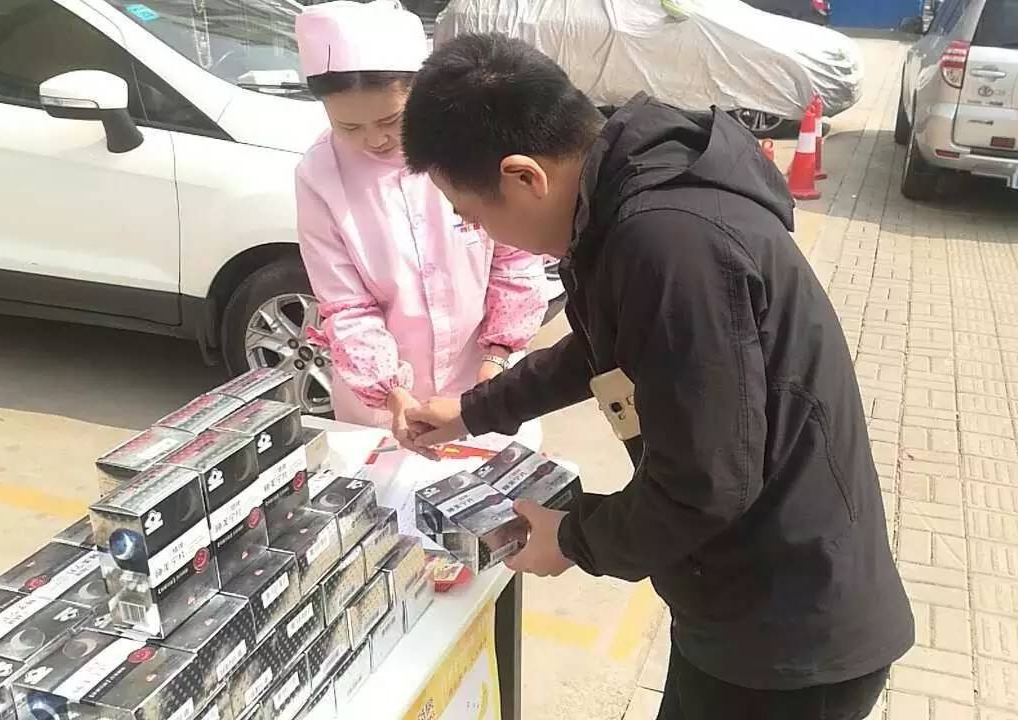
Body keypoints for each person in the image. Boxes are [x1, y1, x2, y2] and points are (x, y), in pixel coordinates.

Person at [400, 34, 913, 720]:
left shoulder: (668, 242)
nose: (482, 232)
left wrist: (571, 539)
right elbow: (602, 350)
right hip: (739, 602)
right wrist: (471, 411)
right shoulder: (625, 201)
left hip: (786, 640)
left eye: (473, 216)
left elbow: (703, 484)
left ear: (524, 178)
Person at [292, 2, 547, 436]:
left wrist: (495, 362)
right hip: (385, 408)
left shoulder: (469, 142)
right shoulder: (319, 176)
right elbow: (347, 306)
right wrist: (393, 394)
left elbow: (515, 259)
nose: (374, 139)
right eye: (348, 127)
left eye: (390, 119)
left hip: (485, 380)